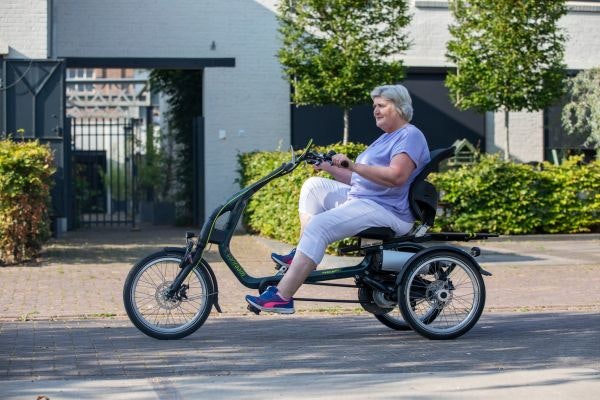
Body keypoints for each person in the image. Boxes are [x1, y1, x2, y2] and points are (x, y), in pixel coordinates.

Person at [245, 84, 431, 314]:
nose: (375, 110)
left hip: (388, 210)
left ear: (400, 107)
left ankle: (282, 296)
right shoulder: (385, 138)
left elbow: (396, 176)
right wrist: (325, 166)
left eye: (381, 105)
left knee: (319, 226)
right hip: (366, 199)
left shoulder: (410, 135)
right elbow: (358, 179)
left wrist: (353, 164)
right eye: (374, 106)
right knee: (313, 187)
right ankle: (301, 254)